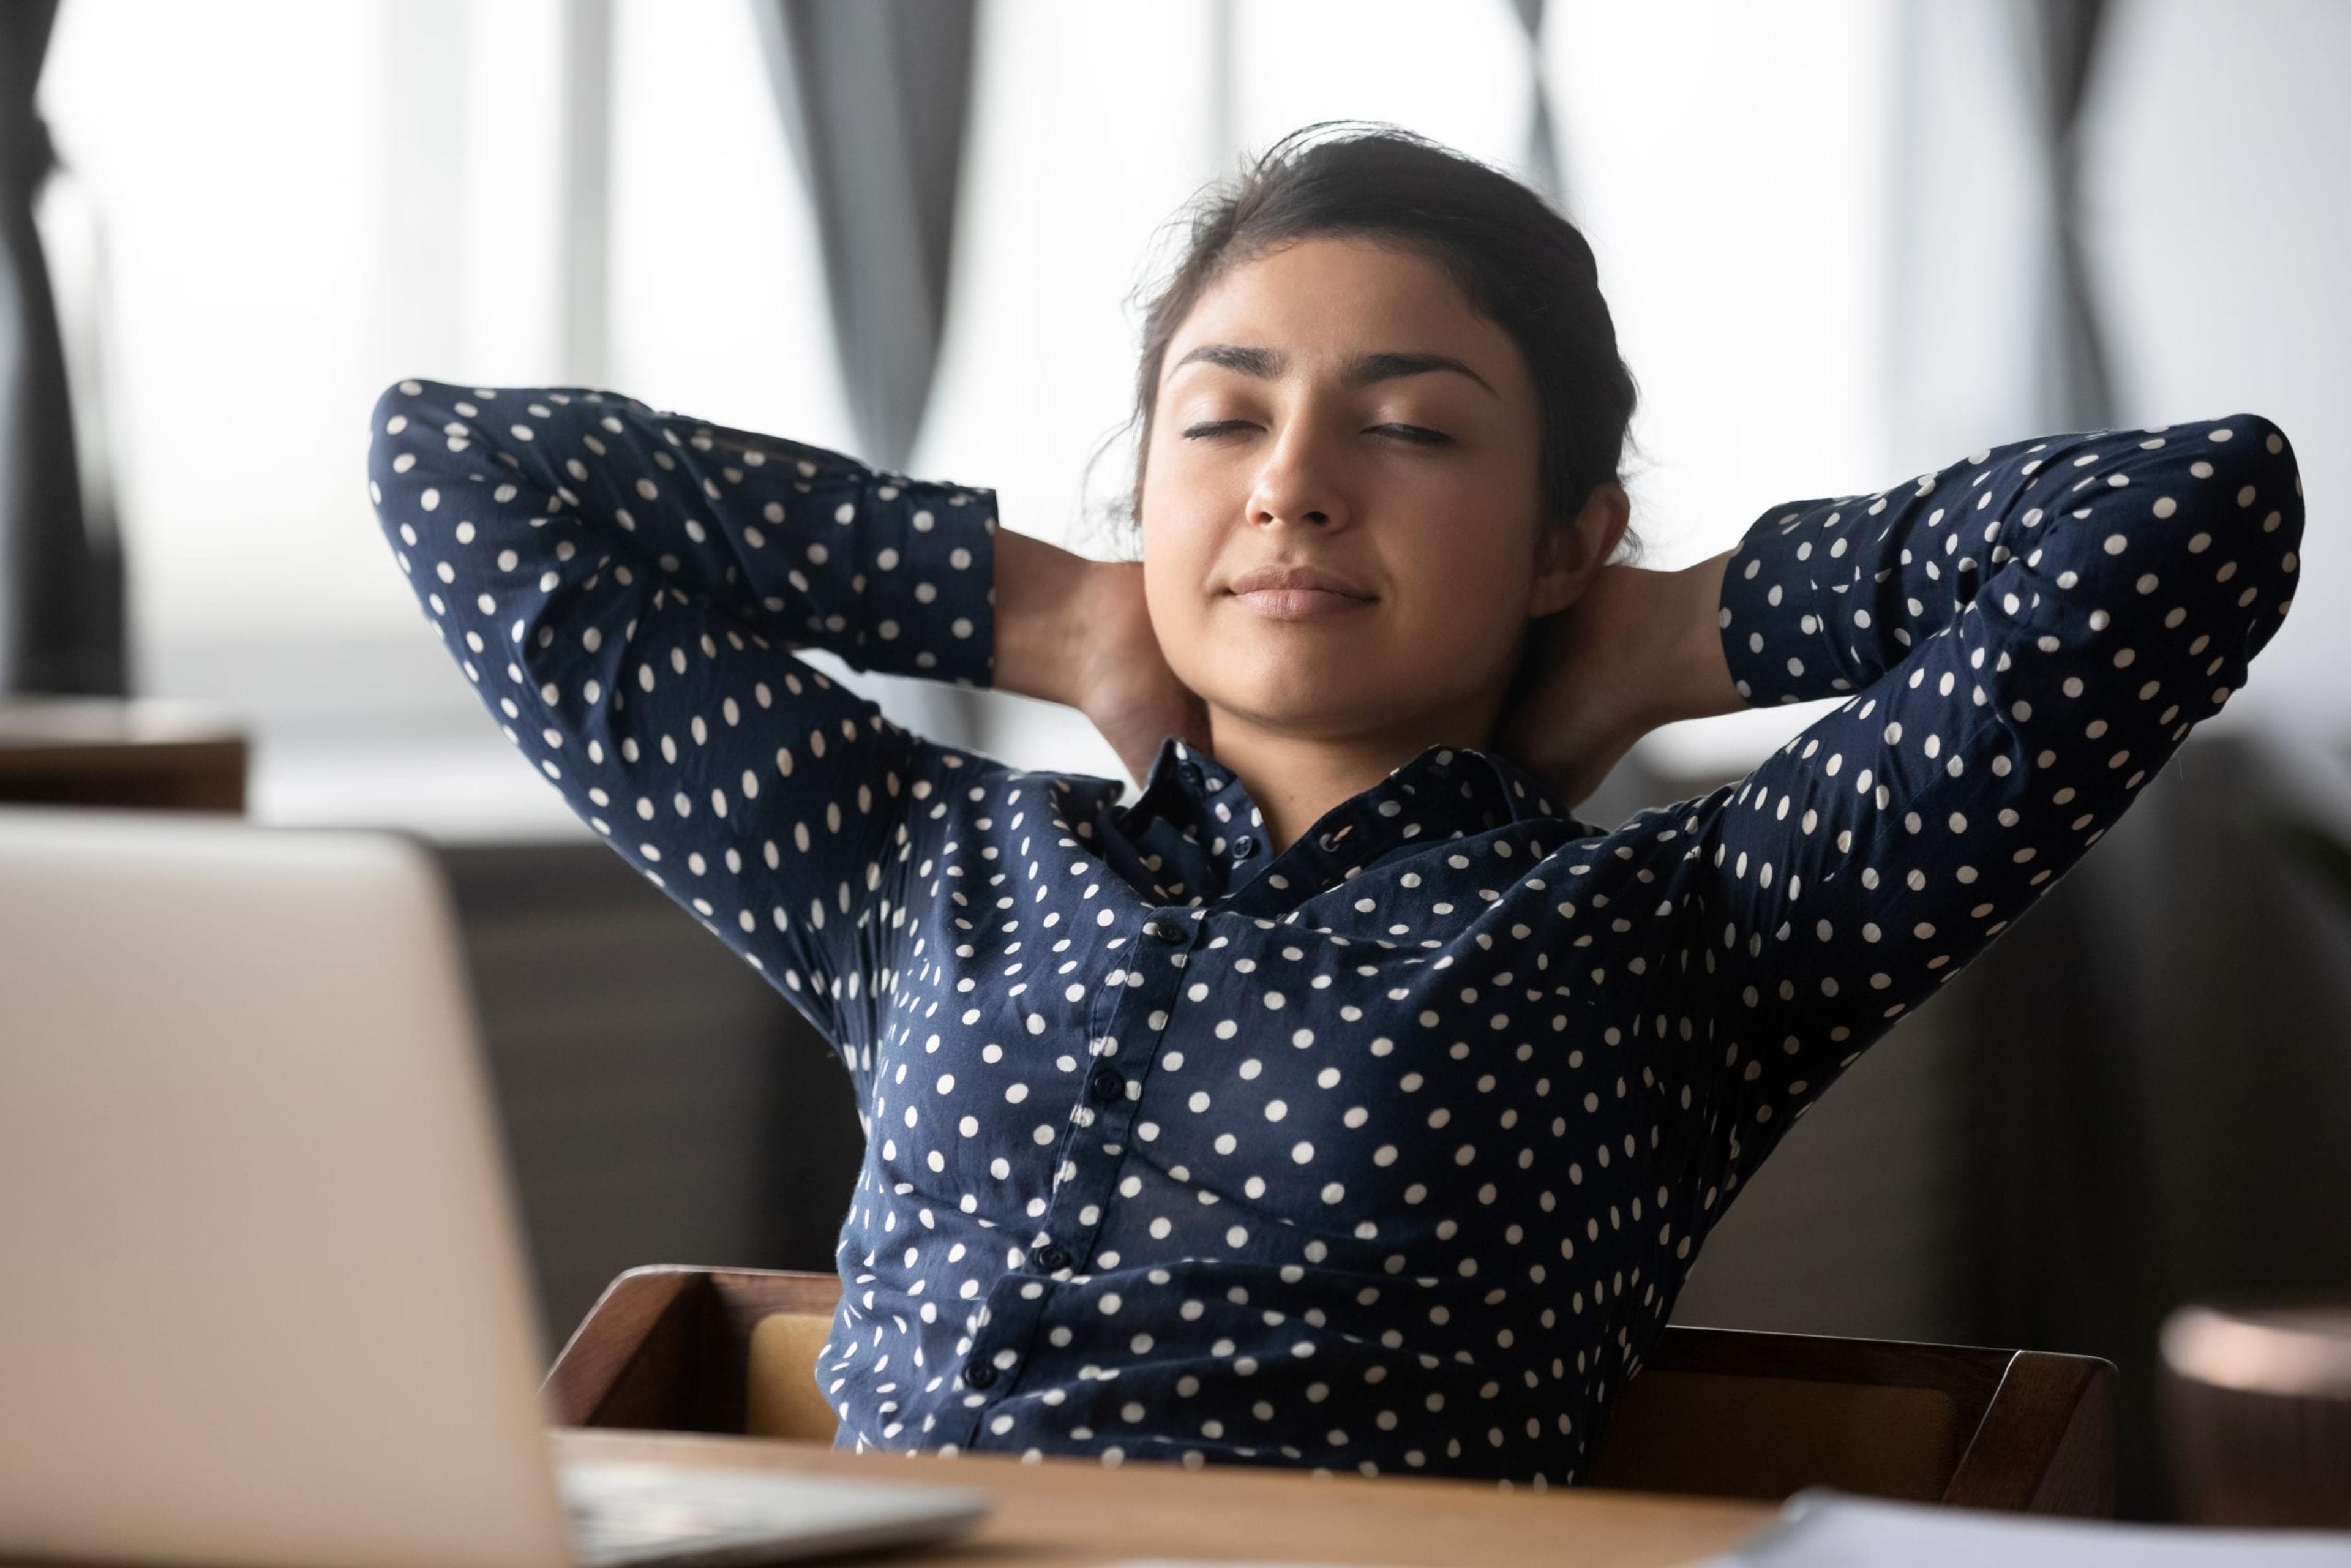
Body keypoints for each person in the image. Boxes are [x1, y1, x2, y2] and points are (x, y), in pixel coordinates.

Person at [364, 123, 2304, 1488]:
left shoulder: (1681, 932)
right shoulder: (923, 863)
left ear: (1565, 534)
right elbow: (454, 469)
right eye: (1222, 417)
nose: (1292, 481)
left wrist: (1674, 636)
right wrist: (1035, 611)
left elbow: (2189, 521)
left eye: (1410, 425)